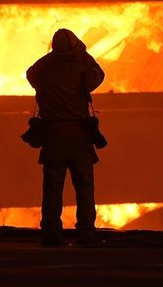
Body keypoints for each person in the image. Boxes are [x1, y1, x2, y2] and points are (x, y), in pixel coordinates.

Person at [26, 28, 105, 247]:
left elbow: (31, 72)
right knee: (84, 187)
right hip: (78, 136)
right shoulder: (82, 72)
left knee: (52, 188)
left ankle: (51, 233)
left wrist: (53, 56)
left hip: (53, 136)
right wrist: (82, 53)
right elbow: (99, 74)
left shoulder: (43, 71)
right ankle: (87, 233)